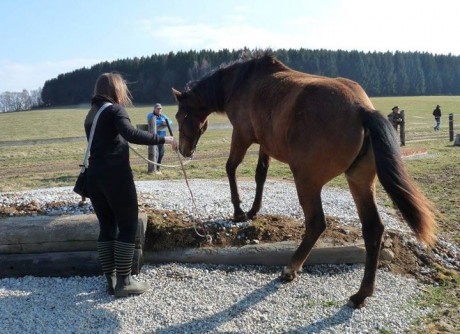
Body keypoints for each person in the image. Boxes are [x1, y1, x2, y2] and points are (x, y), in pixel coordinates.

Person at [84, 73, 177, 298]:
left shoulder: (91, 114)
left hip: (93, 176)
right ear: (116, 89)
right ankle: (125, 282)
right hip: (115, 176)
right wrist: (166, 139)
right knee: (127, 225)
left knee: (107, 226)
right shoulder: (115, 110)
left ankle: (111, 280)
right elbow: (131, 134)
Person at [146, 103, 173, 173]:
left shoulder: (163, 116)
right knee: (154, 153)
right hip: (153, 138)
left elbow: (170, 121)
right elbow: (152, 121)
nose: (159, 110)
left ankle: (158, 169)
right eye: (157, 108)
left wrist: (167, 122)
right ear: (154, 109)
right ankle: (152, 169)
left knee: (161, 153)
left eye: (160, 109)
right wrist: (162, 122)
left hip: (162, 138)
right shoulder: (150, 115)